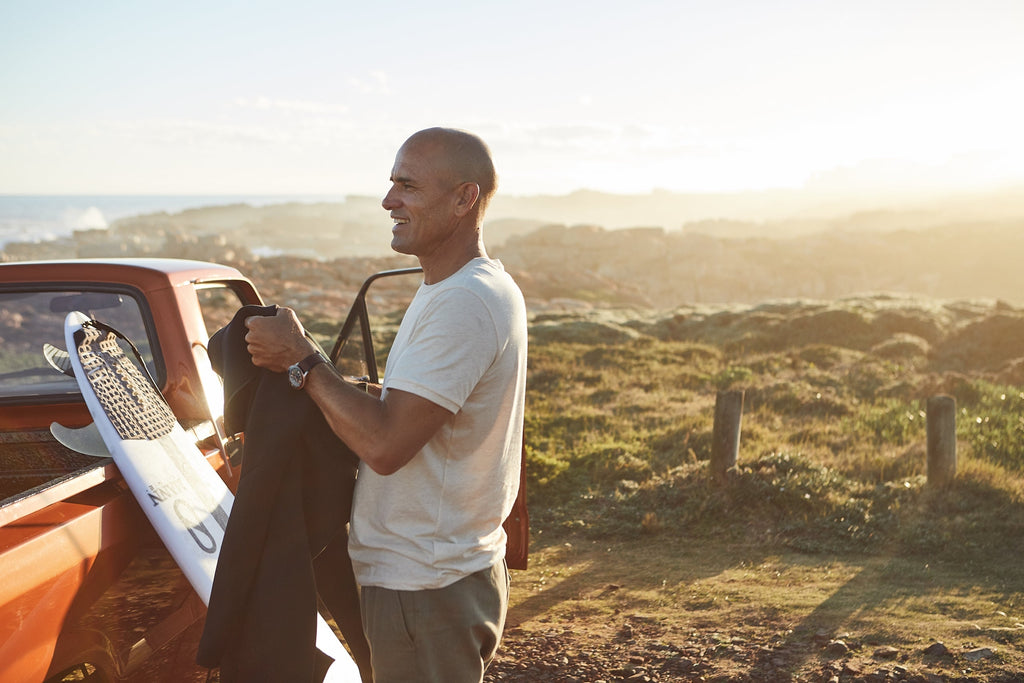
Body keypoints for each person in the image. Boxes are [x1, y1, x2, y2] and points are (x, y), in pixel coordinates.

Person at [243, 127, 528, 682]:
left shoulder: (465, 302)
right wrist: (337, 390)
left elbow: (387, 443)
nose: (388, 200)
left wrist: (302, 361)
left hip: (426, 584)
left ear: (464, 199)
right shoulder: (456, 287)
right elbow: (419, 412)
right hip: (431, 575)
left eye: (408, 186)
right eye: (391, 183)